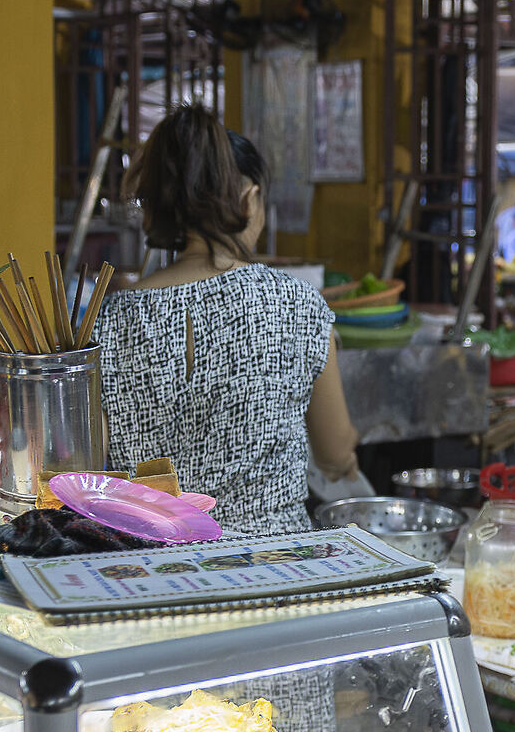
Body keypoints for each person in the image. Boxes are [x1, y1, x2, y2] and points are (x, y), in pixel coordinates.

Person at [97, 106, 365, 537]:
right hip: (275, 570)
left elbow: (94, 470)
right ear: (248, 198)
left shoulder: (109, 320)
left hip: (154, 566)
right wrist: (346, 453)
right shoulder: (296, 303)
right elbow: (334, 453)